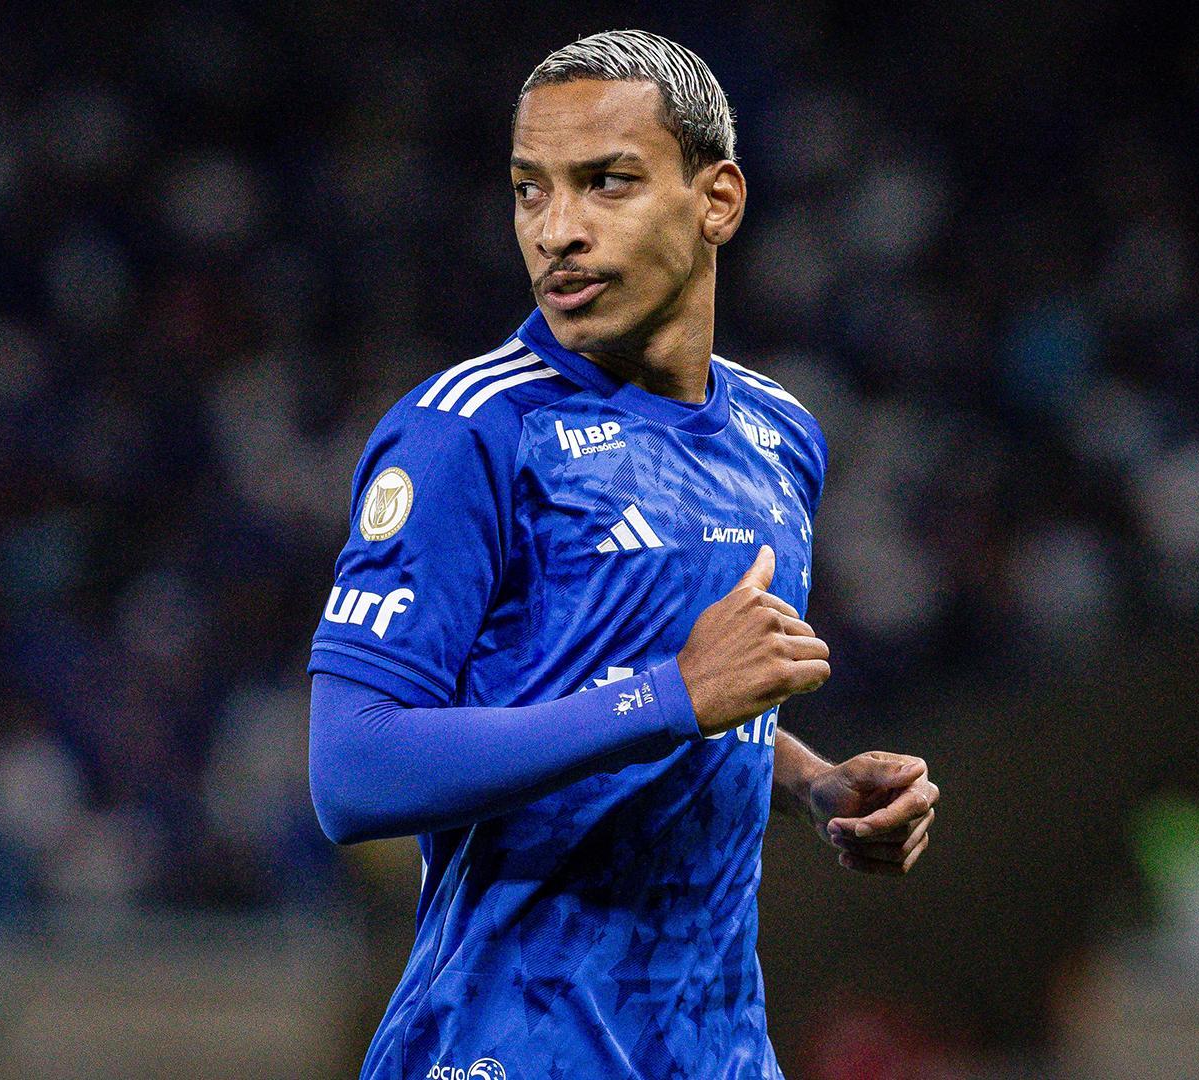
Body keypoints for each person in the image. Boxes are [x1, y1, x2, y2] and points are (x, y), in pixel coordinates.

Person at [307, 28, 939, 1080]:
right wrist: (671, 696)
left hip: (715, 1052)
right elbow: (353, 769)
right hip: (504, 1050)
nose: (556, 231)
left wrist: (810, 781)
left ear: (717, 200)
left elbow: (641, 686)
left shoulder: (779, 436)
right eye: (530, 190)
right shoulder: (468, 432)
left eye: (606, 183)